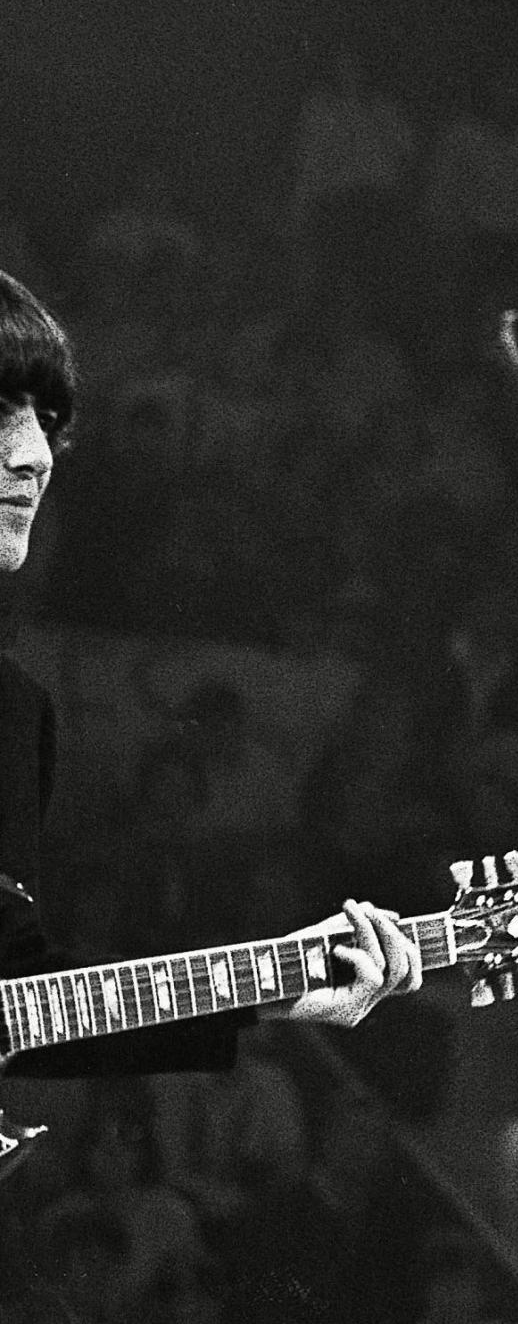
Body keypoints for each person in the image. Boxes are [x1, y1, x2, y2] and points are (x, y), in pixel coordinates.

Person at [0, 265, 423, 1081]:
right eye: (3, 410)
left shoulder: (15, 713)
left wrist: (272, 987)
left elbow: (19, 1000)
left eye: (48, 420)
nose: (36, 455)